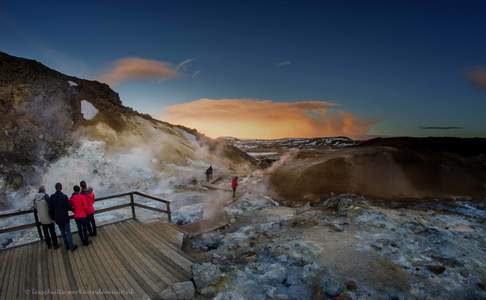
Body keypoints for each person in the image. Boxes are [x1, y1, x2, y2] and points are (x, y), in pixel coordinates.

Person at [49, 183, 77, 251]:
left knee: (62, 233)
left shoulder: (52, 197)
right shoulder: (64, 196)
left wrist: (53, 218)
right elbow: (68, 207)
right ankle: (71, 246)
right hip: (65, 217)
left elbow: (51, 209)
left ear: (55, 188)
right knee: (68, 232)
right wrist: (73, 208)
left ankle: (67, 246)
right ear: (61, 188)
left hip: (57, 218)